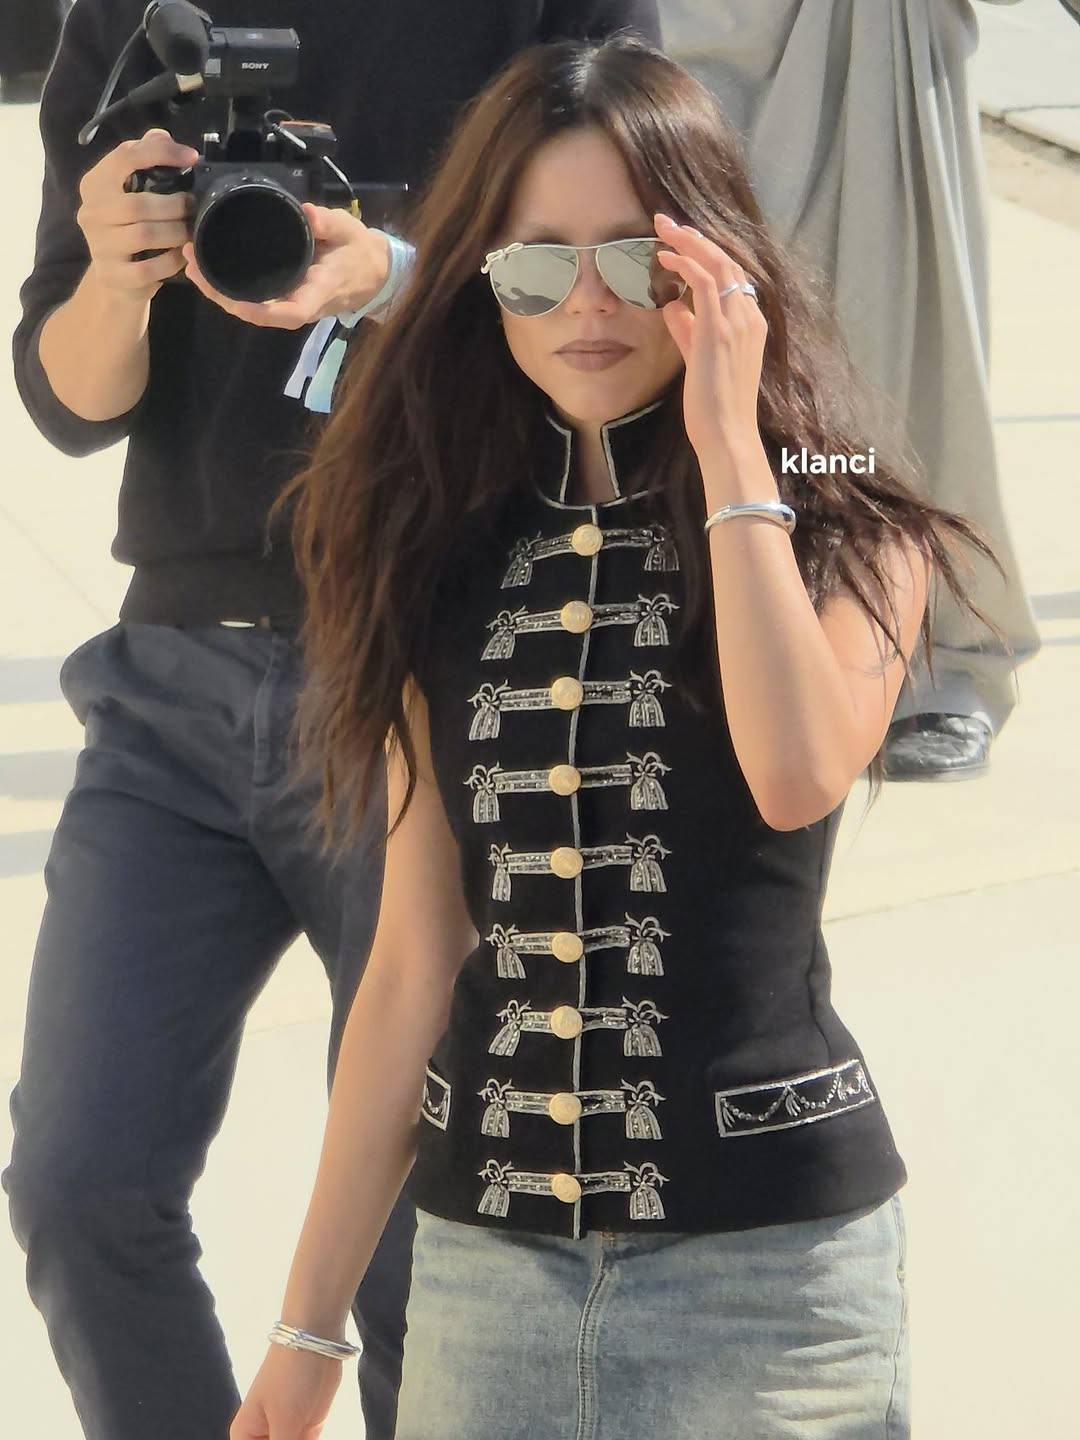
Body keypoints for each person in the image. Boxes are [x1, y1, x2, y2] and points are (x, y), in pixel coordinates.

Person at [228, 37, 995, 1440]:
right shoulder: (433, 546)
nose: (585, 303)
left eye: (637, 260)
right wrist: (307, 1325)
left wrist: (734, 450)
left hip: (773, 1289)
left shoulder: (852, 531)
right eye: (535, 266)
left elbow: (796, 772)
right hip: (487, 1279)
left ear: (714, 270)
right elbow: (413, 962)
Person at [2, 5, 660, 1440]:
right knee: (77, 1181)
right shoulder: (143, 19)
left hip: (433, 662)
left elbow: (645, 264)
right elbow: (69, 402)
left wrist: (396, 275)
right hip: (175, 675)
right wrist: (116, 276)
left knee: (429, 1240)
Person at [660, 0, 1040, 780]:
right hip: (674, 34)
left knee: (885, 346)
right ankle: (685, 629)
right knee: (665, 305)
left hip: (861, 32)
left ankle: (927, 658)